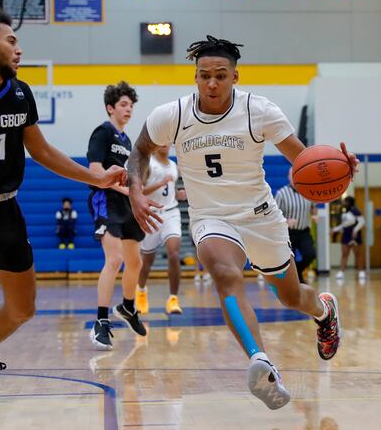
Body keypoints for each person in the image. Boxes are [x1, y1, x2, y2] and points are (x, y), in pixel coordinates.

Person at [127, 35, 353, 411]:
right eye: (203, 76)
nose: (211, 83)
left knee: (292, 297)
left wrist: (342, 170)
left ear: (235, 76)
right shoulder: (174, 115)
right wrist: (136, 189)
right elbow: (140, 150)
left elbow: (304, 159)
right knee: (222, 272)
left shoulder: (259, 111)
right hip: (211, 218)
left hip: (260, 216)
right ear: (195, 77)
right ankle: (261, 363)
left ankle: (323, 310)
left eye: (220, 75)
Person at [0, 4, 125, 426]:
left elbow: (42, 152)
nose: (19, 48)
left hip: (6, 209)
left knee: (22, 308)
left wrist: (98, 180)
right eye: (11, 40)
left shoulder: (20, 92)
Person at [86, 81, 147, 351]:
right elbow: (95, 171)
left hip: (124, 203)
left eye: (131, 105)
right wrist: (122, 188)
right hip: (106, 201)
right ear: (110, 108)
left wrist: (136, 192)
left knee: (135, 262)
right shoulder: (103, 133)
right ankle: (101, 321)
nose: (128, 109)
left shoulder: (126, 140)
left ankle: (128, 307)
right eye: (123, 104)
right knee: (115, 260)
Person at [136, 144, 187, 315]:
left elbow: (171, 190)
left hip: (171, 213)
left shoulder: (174, 166)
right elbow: (140, 192)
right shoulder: (148, 164)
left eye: (168, 141)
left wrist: (179, 194)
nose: (165, 144)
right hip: (151, 214)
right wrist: (160, 184)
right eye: (161, 141)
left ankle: (173, 299)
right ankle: (141, 292)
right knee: (146, 262)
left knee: (174, 253)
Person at [275, 168, 316, 282]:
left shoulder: (308, 191)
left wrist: (314, 215)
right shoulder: (281, 193)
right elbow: (274, 215)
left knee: (310, 254)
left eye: (296, 175)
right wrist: (286, 220)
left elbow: (313, 207)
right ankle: (295, 279)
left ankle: (298, 272)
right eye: (291, 175)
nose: (293, 177)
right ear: (288, 177)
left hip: (304, 231)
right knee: (287, 259)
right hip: (288, 233)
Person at [332, 196, 366, 281]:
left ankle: (361, 271)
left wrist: (355, 230)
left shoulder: (355, 211)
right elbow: (344, 225)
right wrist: (334, 229)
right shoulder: (344, 212)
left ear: (349, 202)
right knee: (344, 254)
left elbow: (362, 222)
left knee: (358, 254)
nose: (343, 203)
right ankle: (341, 272)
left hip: (355, 235)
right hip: (346, 235)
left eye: (345, 202)